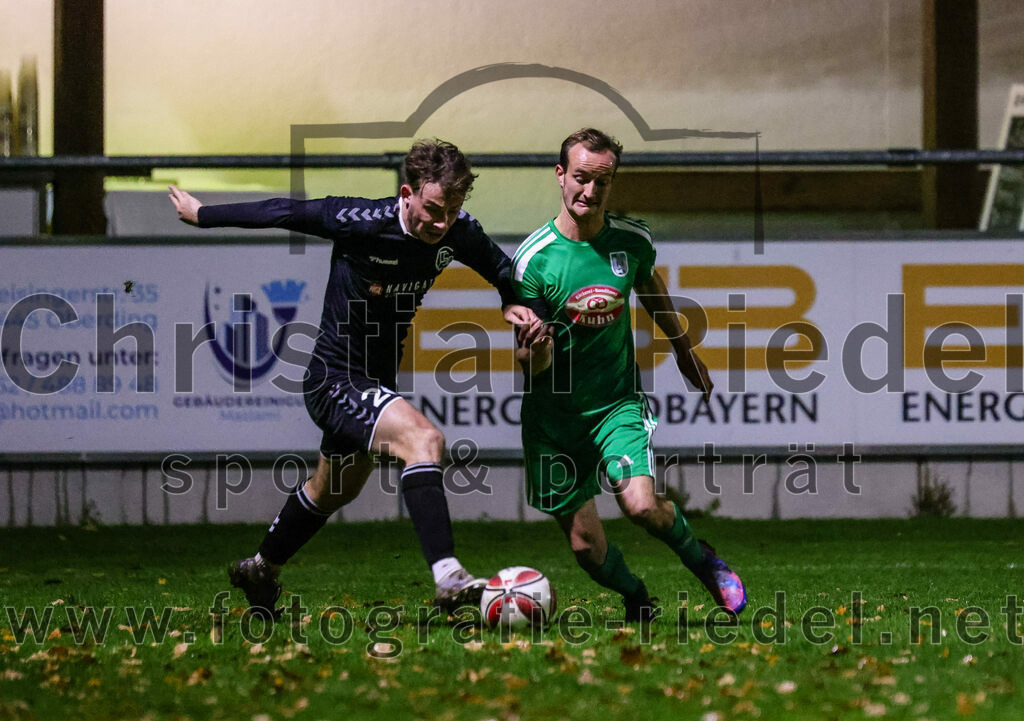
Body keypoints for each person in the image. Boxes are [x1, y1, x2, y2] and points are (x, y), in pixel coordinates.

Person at [169, 139, 544, 617]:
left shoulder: (457, 231)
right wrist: (205, 215)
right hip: (333, 377)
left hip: (375, 382)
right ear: (407, 193)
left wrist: (511, 301)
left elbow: (500, 267)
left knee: (336, 487)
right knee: (424, 440)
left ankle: (260, 567)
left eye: (451, 211)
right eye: (432, 209)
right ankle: (449, 575)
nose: (440, 223)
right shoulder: (362, 221)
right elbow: (287, 211)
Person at [511, 128, 746, 621]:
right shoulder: (532, 260)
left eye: (603, 181)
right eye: (581, 178)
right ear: (560, 176)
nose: (590, 192)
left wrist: (682, 349)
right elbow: (528, 365)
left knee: (640, 506)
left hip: (615, 403)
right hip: (552, 419)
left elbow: (648, 285)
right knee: (584, 546)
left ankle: (701, 560)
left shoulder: (631, 241)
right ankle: (637, 597)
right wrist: (536, 351)